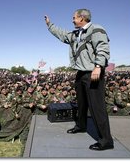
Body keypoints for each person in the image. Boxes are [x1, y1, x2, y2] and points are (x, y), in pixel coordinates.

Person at [45, 9, 114, 151]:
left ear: (82, 18)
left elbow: (103, 47)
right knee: (81, 104)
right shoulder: (76, 34)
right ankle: (81, 126)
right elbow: (62, 34)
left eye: (74, 18)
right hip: (81, 73)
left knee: (97, 107)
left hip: (93, 72)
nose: (72, 20)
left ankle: (106, 140)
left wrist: (98, 66)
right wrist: (50, 25)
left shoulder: (96, 29)